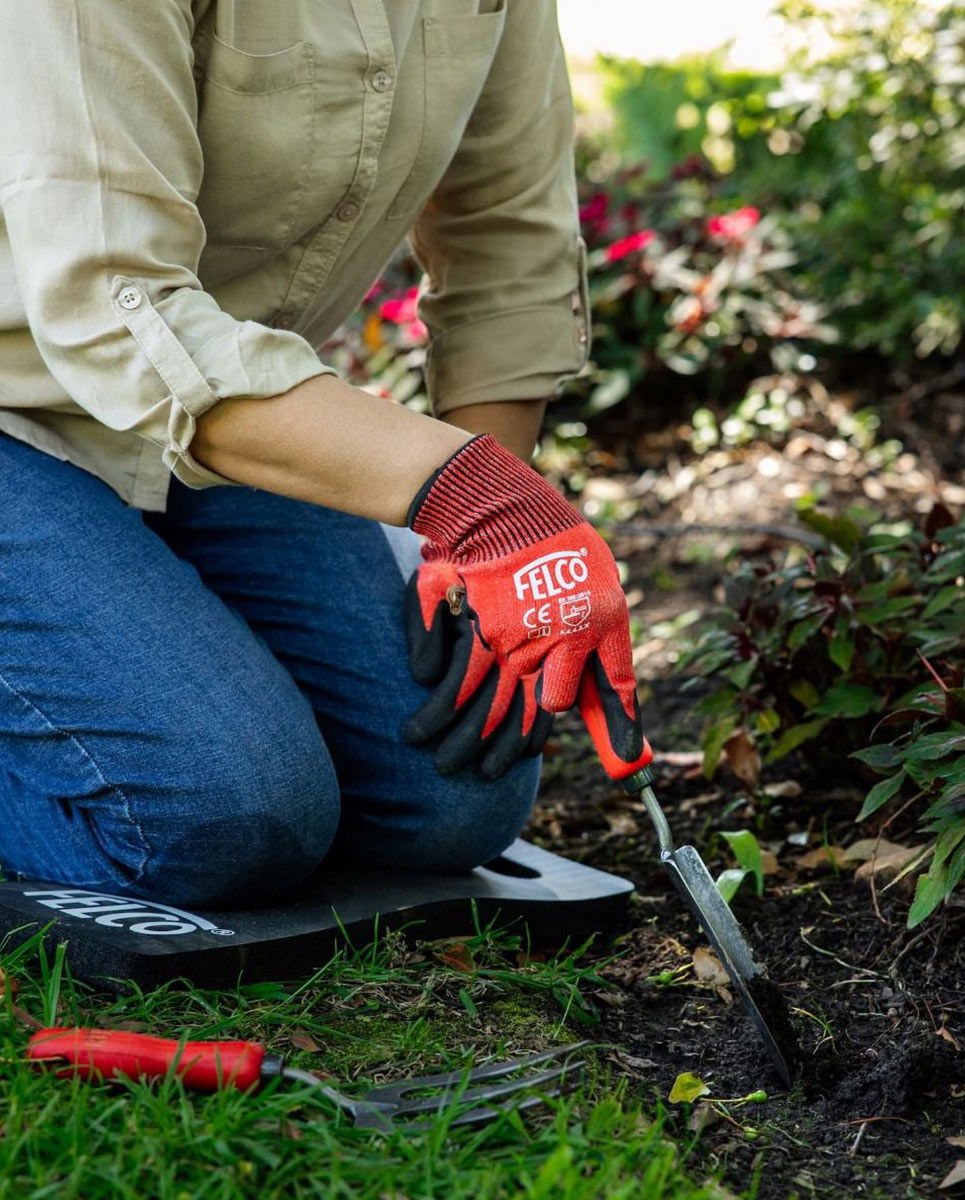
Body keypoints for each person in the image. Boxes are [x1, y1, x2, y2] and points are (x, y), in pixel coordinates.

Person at [0, 1, 644, 910]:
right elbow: (112, 303)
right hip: (20, 395)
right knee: (222, 818)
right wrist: (479, 499)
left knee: (456, 798)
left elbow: (504, 239)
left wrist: (475, 556)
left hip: (223, 404)